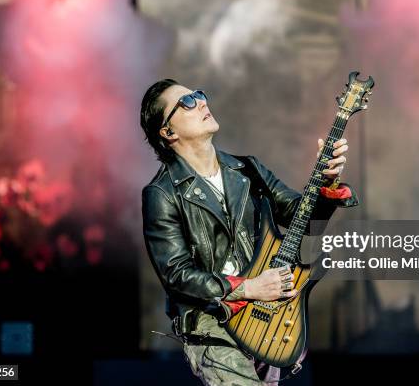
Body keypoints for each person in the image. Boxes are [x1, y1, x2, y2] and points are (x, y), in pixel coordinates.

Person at [140, 79, 359, 385]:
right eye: (187, 102)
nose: (202, 101)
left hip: (266, 317)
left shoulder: (248, 171)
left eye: (199, 95)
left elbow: (304, 219)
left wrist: (328, 184)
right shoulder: (162, 194)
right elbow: (177, 275)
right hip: (214, 324)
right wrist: (248, 288)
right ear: (168, 131)